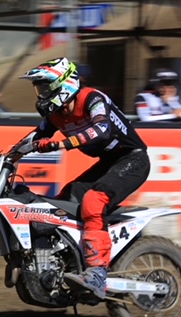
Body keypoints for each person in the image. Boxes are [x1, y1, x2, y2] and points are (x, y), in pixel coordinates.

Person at [11, 57, 150, 299]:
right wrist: (7, 156)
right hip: (109, 163)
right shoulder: (56, 114)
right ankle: (67, 265)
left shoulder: (92, 99)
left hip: (133, 160)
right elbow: (33, 138)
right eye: (39, 89)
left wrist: (59, 144)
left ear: (64, 84)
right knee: (64, 202)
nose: (41, 94)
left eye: (45, 88)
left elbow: (101, 130)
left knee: (93, 201)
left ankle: (97, 272)